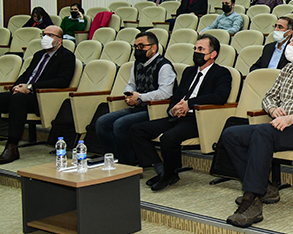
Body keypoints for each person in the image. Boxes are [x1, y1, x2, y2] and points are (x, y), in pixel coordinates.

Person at [222, 29, 293, 227]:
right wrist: (273, 108)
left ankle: (252, 200)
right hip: (279, 127)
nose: (288, 46)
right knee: (231, 134)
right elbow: (268, 97)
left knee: (263, 131)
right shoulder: (286, 71)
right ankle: (265, 188)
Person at [130, 35, 232, 191]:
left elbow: (220, 97)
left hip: (198, 119)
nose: (196, 52)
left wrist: (189, 104)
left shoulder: (222, 73)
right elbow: (176, 95)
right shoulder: (189, 71)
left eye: (201, 49)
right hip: (178, 116)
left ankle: (169, 175)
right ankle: (161, 168)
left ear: (213, 54)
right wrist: (173, 109)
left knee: (169, 138)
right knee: (137, 130)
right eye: (196, 48)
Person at [0, 26, 76, 164]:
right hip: (25, 93)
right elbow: (27, 74)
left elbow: (62, 81)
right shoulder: (38, 55)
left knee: (19, 99)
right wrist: (17, 86)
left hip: (42, 98)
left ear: (59, 40)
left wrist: (30, 87)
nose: (45, 37)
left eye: (50, 35)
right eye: (44, 34)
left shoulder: (66, 56)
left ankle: (12, 147)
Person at [97, 31, 176, 165]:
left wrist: (140, 97)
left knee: (120, 124)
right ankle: (114, 159)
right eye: (135, 47)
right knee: (102, 122)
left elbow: (165, 93)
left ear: (153, 48)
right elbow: (131, 84)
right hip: (138, 107)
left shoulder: (164, 66)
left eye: (141, 46)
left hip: (155, 110)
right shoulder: (137, 64)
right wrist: (129, 95)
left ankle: (128, 163)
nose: (137, 50)